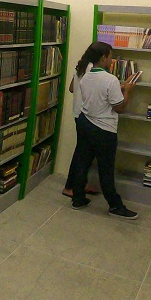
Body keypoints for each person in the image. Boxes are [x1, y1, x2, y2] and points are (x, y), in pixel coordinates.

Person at [68, 41, 139, 219]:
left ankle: (78, 199)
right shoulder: (110, 79)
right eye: (111, 56)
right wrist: (128, 90)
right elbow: (119, 107)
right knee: (106, 169)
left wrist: (119, 87)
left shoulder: (85, 75)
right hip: (104, 130)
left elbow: (97, 95)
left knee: (82, 162)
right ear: (103, 57)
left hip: (85, 123)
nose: (112, 60)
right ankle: (115, 206)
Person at [62, 70, 101, 198]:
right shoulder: (93, 70)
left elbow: (71, 88)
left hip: (78, 113)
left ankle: (81, 183)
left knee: (85, 152)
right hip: (85, 115)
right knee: (81, 153)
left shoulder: (81, 67)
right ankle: (69, 186)